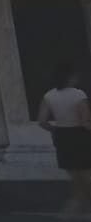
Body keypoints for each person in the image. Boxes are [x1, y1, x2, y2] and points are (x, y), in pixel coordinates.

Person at [37, 62, 91, 213]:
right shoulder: (79, 94)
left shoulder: (49, 95)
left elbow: (42, 121)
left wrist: (55, 129)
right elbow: (86, 121)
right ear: (71, 77)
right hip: (80, 136)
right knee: (87, 174)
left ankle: (76, 207)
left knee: (75, 175)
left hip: (63, 137)